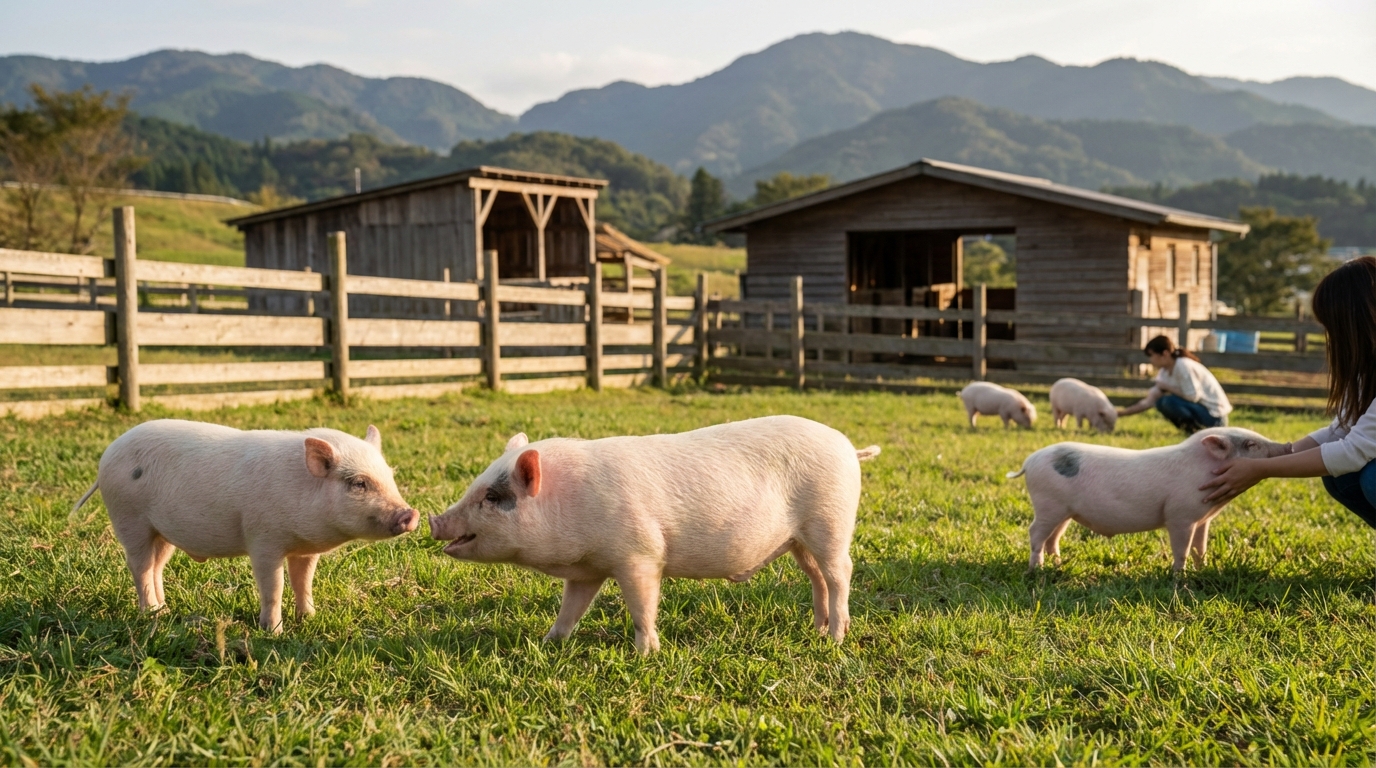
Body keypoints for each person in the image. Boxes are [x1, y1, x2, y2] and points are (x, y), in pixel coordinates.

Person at [1201, 256, 1373, 521]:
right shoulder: (1368, 371)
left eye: (1334, 326)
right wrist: (1276, 453)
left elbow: (1353, 451)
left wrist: (1262, 469)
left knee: (1371, 478)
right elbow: (1341, 430)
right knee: (1340, 477)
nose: (1332, 338)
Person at [1118, 334, 1233, 433]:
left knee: (1167, 402)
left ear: (1165, 353)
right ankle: (1193, 432)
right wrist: (1120, 413)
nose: (1150, 360)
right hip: (1202, 412)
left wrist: (1168, 387)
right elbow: (1149, 401)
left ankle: (1196, 432)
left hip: (1214, 417)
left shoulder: (1183, 366)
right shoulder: (1164, 372)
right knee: (1161, 402)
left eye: (1152, 355)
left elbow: (1192, 396)